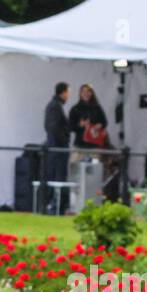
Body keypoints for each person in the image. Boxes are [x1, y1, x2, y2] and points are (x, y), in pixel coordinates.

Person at [42, 81, 71, 213]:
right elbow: (52, 128)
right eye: (68, 92)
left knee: (57, 176)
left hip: (57, 147)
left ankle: (57, 205)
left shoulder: (56, 106)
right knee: (56, 176)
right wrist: (63, 140)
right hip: (57, 149)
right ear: (63, 92)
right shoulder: (54, 107)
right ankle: (53, 206)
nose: (69, 94)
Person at [68, 83, 109, 175]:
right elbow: (70, 127)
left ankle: (93, 189)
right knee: (74, 170)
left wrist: (99, 125)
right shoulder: (75, 109)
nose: (86, 93)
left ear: (92, 93)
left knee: (93, 172)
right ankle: (75, 189)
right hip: (79, 145)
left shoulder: (97, 108)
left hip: (94, 146)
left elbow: (105, 122)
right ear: (80, 94)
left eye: (88, 91)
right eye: (84, 92)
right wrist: (80, 125)